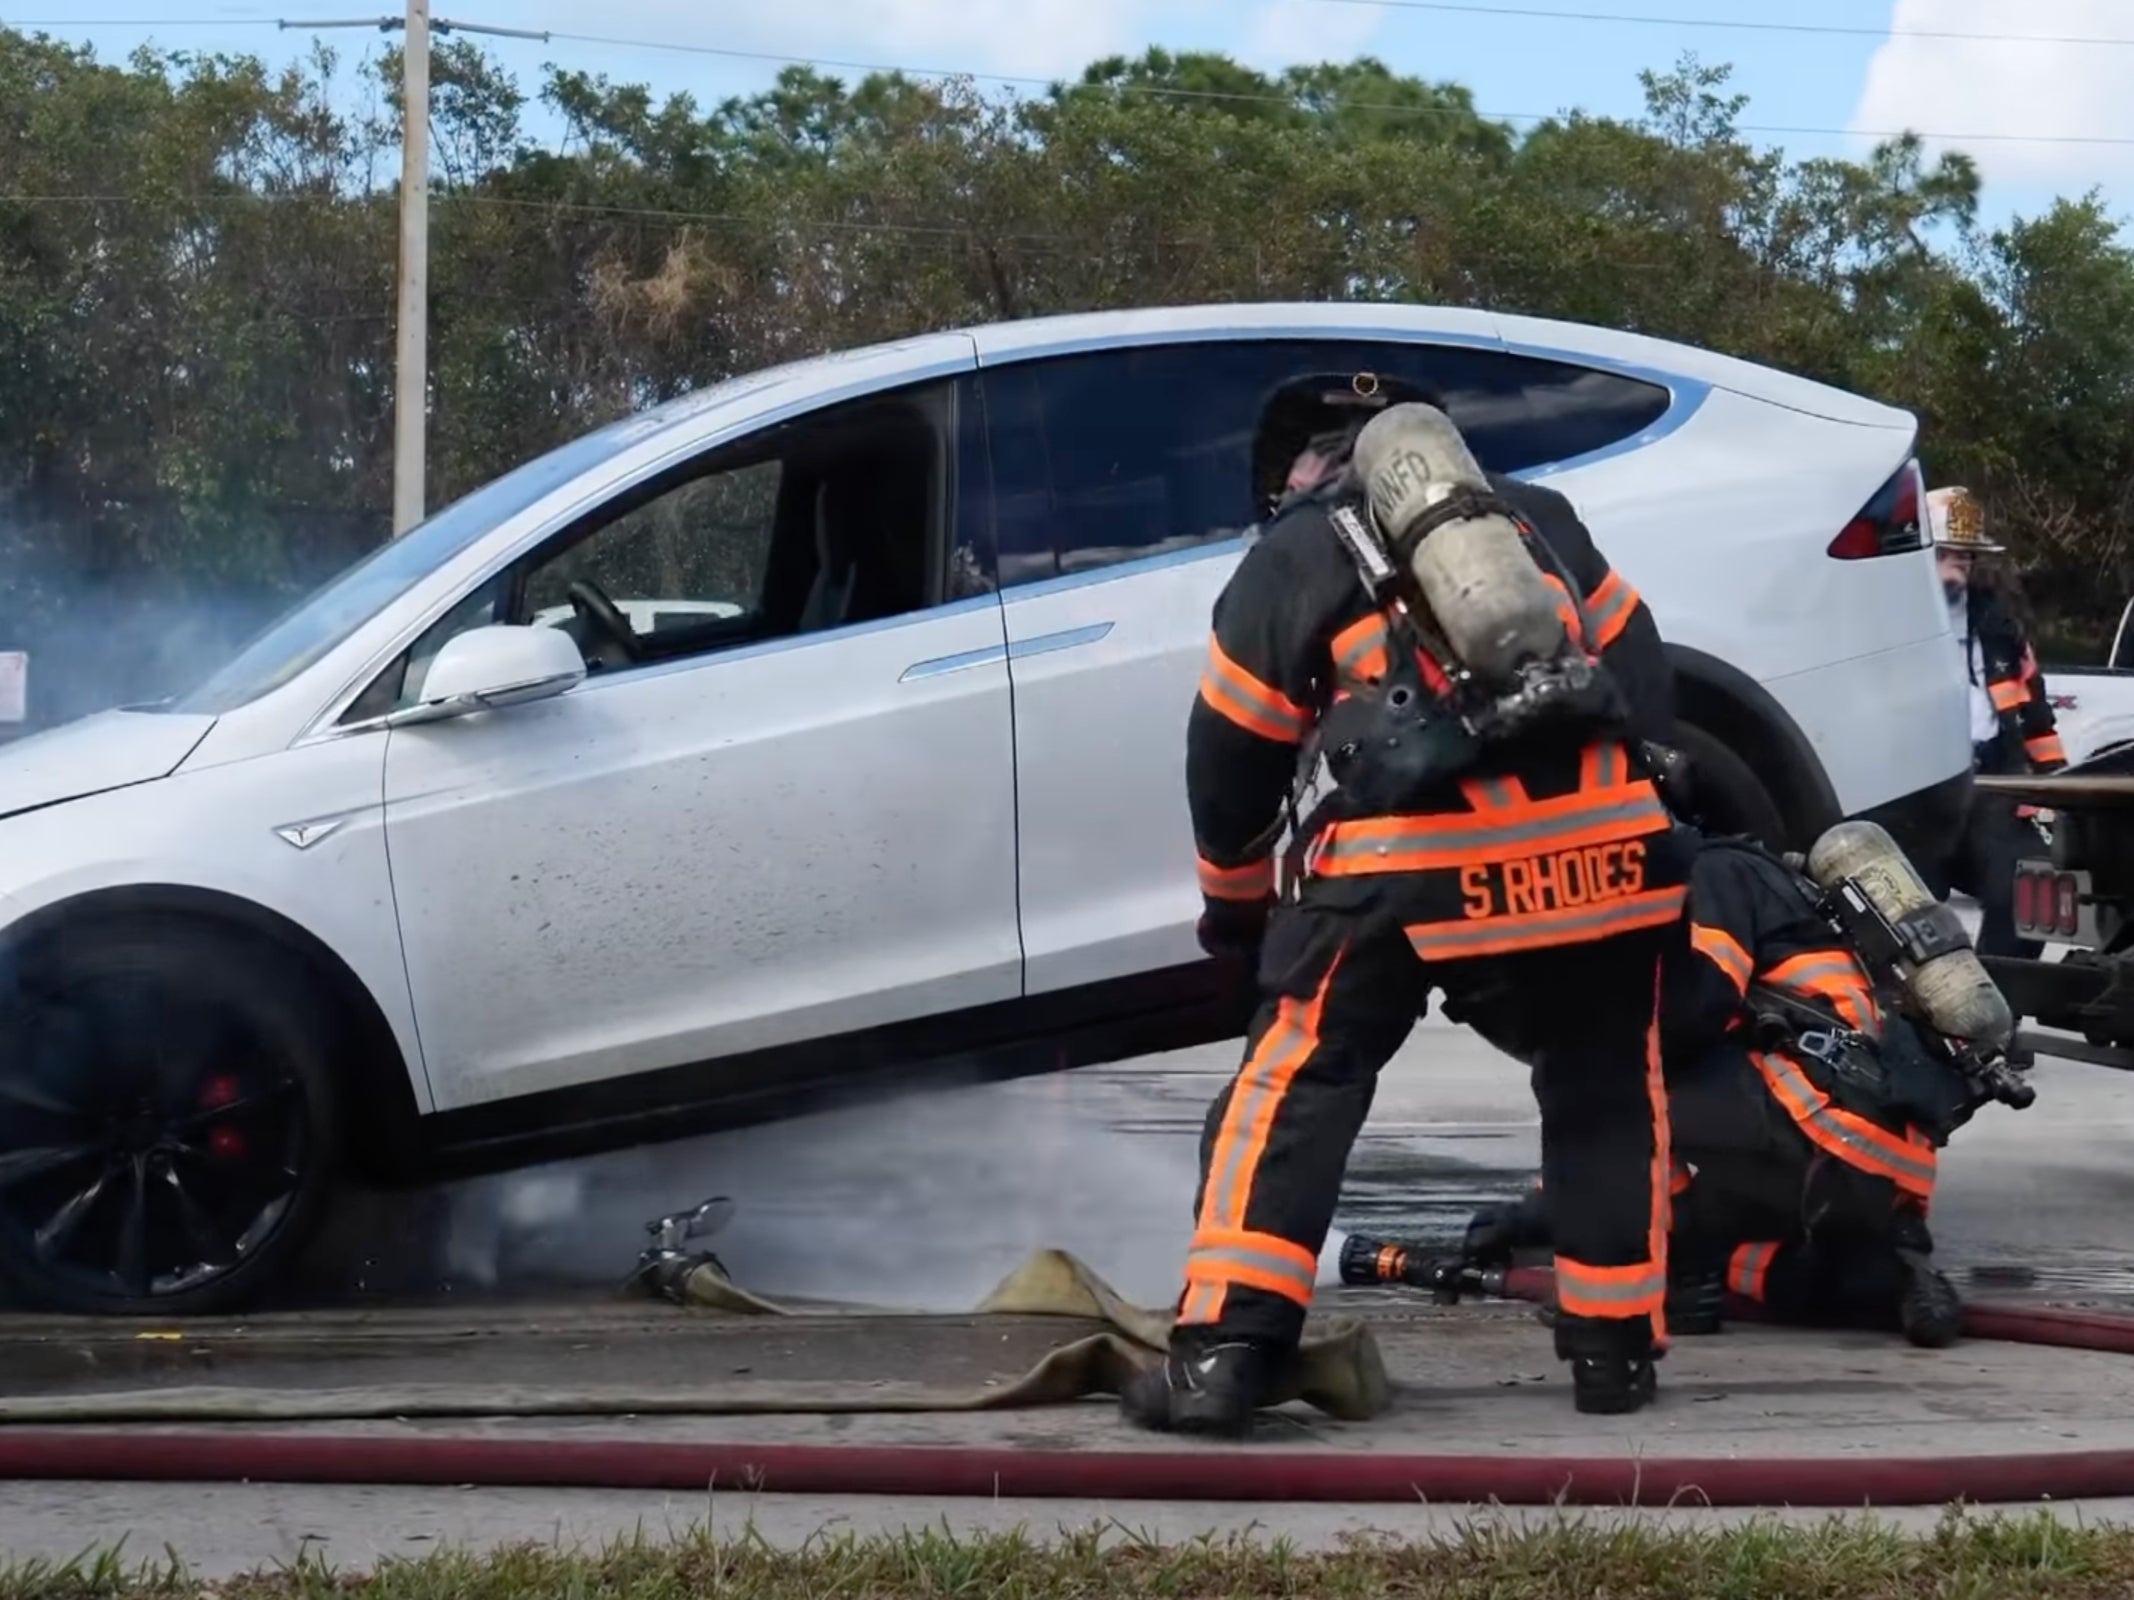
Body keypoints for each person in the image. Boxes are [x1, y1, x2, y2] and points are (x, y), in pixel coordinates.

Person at [1123, 373, 1690, 1435]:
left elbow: (1231, 761)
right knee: (1607, 1079)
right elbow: (1645, 668)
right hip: (1606, 855)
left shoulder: (1291, 553)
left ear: (1296, 471)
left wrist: (1234, 909)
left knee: (1300, 1069)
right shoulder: (1537, 519)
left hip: (1408, 854)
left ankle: (1223, 1356)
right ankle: (1613, 1351)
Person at [1456, 832, 1979, 1347]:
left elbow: (1694, 1014)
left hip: (1820, 1117)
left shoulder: (1716, 874)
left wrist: (1538, 1213)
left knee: (1603, 1074)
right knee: (1748, 1260)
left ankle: (1682, 1278)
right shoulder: (1788, 892)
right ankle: (1887, 1274)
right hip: (1885, 1162)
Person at [1923, 486, 2065, 959]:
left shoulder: (1999, 628)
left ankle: (1997, 1009)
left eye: (1967, 552)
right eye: (1949, 550)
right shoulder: (1887, 621)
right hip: (1912, 794)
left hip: (1989, 786)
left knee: (2037, 886)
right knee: (1899, 911)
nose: (1961, 559)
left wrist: (2058, 789)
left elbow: (2037, 720)